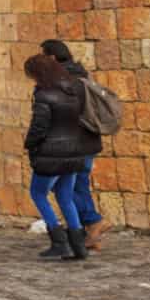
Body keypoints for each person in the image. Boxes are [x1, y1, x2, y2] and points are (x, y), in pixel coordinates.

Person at [24, 51, 100, 262]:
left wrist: (30, 144)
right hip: (75, 151)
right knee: (65, 196)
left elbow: (39, 127)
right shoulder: (74, 90)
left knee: (38, 193)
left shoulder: (43, 95)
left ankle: (59, 241)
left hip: (52, 154)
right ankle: (78, 246)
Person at [41, 38, 107, 250]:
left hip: (74, 142)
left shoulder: (63, 79)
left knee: (65, 187)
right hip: (87, 139)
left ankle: (93, 221)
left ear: (51, 57)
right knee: (78, 183)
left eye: (43, 56)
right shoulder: (80, 74)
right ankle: (91, 235)